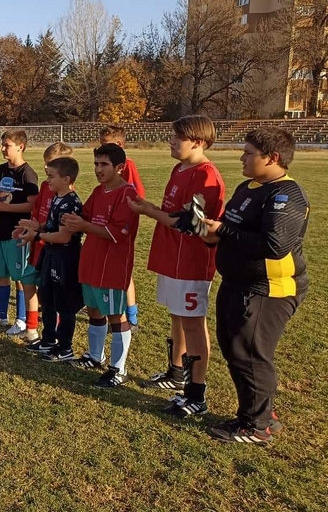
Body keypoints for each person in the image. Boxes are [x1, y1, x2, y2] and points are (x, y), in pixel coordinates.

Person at [200, 128, 309, 443]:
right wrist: (212, 234)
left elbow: (274, 245)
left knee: (250, 352)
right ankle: (261, 413)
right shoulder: (247, 187)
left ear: (272, 158)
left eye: (248, 153)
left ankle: (257, 426)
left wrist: (223, 231)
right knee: (236, 347)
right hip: (237, 282)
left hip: (268, 288)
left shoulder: (285, 195)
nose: (241, 157)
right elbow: (231, 228)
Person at [128, 116, 225, 418]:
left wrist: (148, 210)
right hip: (171, 256)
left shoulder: (206, 175)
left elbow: (190, 224)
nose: (171, 141)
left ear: (197, 141)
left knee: (193, 322)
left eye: (177, 137)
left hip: (191, 260)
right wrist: (153, 210)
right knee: (177, 315)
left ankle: (196, 394)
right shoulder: (179, 168)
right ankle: (176, 371)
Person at [63, 143, 140, 388]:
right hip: (92, 260)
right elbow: (85, 215)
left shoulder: (127, 194)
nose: (98, 169)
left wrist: (84, 226)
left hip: (112, 265)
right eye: (96, 164)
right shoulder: (99, 191)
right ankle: (95, 356)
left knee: (116, 316)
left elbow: (119, 232)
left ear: (120, 167)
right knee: (94, 310)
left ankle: (119, 368)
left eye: (104, 164)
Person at [18, 156, 84, 362]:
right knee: (47, 298)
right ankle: (48, 340)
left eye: (51, 176)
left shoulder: (71, 202)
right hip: (51, 254)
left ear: (66, 179)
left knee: (63, 303)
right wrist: (37, 227)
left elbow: (64, 236)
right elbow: (52, 224)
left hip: (65, 257)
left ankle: (65, 348)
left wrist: (36, 236)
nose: (48, 181)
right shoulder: (57, 197)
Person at [0, 130, 40, 341]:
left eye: (7, 145)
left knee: (20, 278)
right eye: (2, 144)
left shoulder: (28, 174)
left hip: (18, 232)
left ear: (20, 147)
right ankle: (1, 315)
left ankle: (22, 318)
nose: (3, 148)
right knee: (1, 274)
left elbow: (32, 204)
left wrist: (3, 207)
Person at [99, 124, 145, 328]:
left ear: (119, 144)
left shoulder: (127, 165)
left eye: (106, 145)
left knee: (123, 271)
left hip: (120, 225)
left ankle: (131, 313)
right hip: (106, 223)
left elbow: (136, 195)